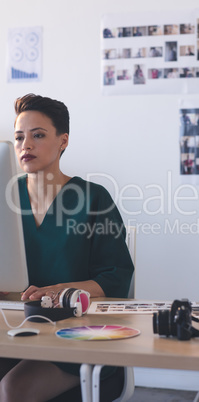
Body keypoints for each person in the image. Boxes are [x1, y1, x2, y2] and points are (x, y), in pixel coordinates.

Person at [0, 94, 134, 402]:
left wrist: (58, 289)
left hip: (74, 332)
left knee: (12, 390)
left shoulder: (93, 199)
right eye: (19, 137)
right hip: (13, 325)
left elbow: (115, 277)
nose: (26, 145)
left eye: (38, 135)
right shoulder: (4, 197)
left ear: (63, 141)